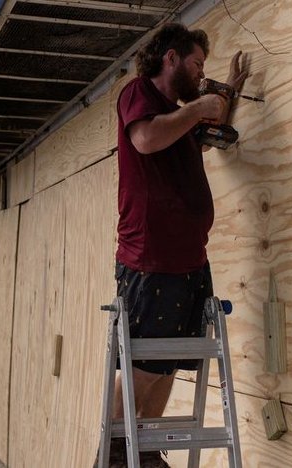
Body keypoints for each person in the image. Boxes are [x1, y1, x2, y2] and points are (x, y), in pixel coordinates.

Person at [106, 22, 248, 468]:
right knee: (143, 365)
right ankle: (113, 449)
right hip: (151, 260)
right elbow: (146, 139)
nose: (201, 75)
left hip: (189, 261)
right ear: (171, 58)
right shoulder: (139, 95)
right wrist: (199, 106)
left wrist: (228, 95)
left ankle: (145, 451)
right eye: (197, 64)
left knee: (169, 365)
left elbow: (203, 138)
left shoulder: (177, 116)